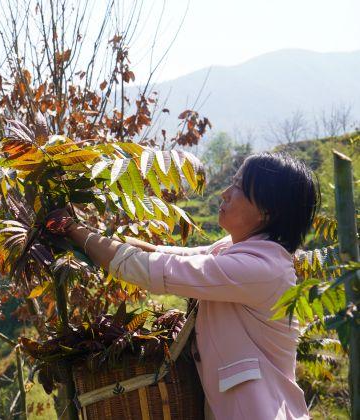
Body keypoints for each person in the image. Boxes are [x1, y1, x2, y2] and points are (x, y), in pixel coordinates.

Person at [46, 152, 319, 420]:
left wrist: (70, 228)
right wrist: (87, 234)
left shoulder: (260, 269)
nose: (225, 193)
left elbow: (147, 268)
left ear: (265, 211)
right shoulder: (232, 249)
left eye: (237, 187)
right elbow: (159, 253)